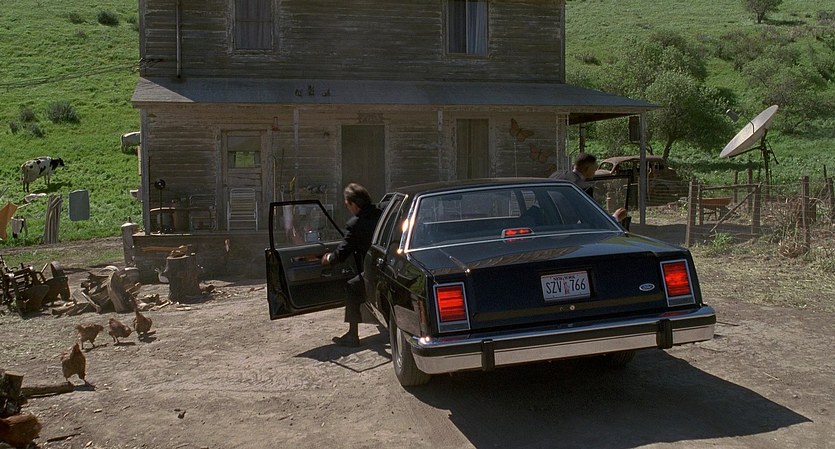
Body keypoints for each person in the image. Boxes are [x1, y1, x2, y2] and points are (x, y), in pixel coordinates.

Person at [321, 183, 382, 347]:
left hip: (374, 272)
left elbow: (342, 253)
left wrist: (328, 258)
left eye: (347, 205)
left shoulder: (355, 224)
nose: (348, 208)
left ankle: (352, 335)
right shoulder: (382, 215)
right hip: (388, 268)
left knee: (351, 287)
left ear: (353, 204)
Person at [550, 152, 628, 222]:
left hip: (548, 222)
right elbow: (590, 219)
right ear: (586, 169)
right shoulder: (583, 188)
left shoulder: (556, 176)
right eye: (594, 168)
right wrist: (615, 218)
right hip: (569, 227)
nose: (595, 170)